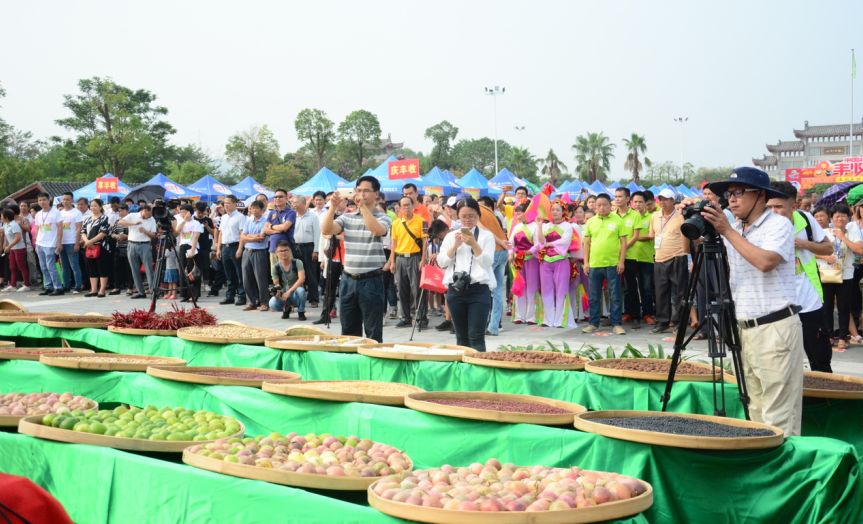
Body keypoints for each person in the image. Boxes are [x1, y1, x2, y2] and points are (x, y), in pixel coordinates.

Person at [703, 167, 805, 436]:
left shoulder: (778, 224)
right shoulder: (736, 227)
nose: (732, 199)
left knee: (778, 414)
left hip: (775, 327)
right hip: (744, 329)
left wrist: (726, 231)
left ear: (760, 195)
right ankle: (765, 469)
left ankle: (783, 473)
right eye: (729, 194)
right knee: (756, 409)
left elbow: (765, 262)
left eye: (738, 193)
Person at [767, 181, 834, 371]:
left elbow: (828, 247)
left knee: (819, 357)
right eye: (770, 206)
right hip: (777, 303)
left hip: (808, 300)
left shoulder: (805, 219)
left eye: (779, 207)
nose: (774, 212)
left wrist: (803, 244)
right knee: (781, 362)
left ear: (794, 206)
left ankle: (826, 397)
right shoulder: (762, 224)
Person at [321, 176, 391, 342]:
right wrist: (332, 207)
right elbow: (327, 230)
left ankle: (372, 366)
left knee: (373, 331)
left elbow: (376, 230)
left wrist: (362, 208)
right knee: (348, 332)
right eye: (358, 190)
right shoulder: (347, 217)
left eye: (366, 191)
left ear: (376, 194)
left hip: (371, 280)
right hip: (348, 280)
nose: (361, 194)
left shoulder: (384, 217)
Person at [437, 198, 495, 351]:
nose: (468, 220)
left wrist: (474, 245)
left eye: (472, 215)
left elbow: (487, 263)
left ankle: (479, 372)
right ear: (458, 216)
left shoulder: (486, 236)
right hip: (455, 291)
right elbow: (442, 262)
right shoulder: (451, 236)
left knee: (476, 337)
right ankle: (463, 372)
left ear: (478, 215)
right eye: (464, 216)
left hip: (479, 290)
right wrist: (455, 246)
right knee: (461, 338)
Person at [817, 204, 863, 350]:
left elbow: (859, 250)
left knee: (844, 307)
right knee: (827, 307)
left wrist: (843, 237)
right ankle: (829, 336)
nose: (840, 218)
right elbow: (811, 252)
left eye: (843, 215)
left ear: (848, 217)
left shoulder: (852, 231)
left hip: (846, 275)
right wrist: (825, 256)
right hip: (826, 274)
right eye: (837, 216)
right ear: (831, 218)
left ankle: (843, 337)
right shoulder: (823, 232)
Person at [582, 193, 626, 335]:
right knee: (594, 295)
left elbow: (623, 243)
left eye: (604, 205)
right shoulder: (591, 222)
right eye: (598, 205)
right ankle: (593, 323)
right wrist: (586, 262)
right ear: (595, 206)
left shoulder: (618, 220)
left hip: (613, 264)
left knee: (615, 295)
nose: (601, 207)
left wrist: (621, 261)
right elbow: (587, 243)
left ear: (610, 205)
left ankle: (616, 323)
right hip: (594, 264)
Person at [649, 188, 688, 333]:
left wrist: (686, 255)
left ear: (673, 201)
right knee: (660, 292)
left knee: (679, 293)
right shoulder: (654, 216)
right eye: (661, 199)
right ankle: (662, 322)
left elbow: (686, 238)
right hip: (659, 258)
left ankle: (678, 323)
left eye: (666, 199)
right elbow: (653, 235)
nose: (662, 202)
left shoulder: (681, 216)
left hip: (677, 257)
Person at [386, 196, 428, 328]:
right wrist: (392, 261)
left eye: (408, 205)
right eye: (403, 205)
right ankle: (405, 317)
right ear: (399, 207)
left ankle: (421, 317)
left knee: (417, 289)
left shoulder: (423, 221)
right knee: (402, 290)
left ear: (413, 206)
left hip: (415, 257)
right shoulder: (396, 223)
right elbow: (394, 243)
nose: (406, 207)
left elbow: (425, 241)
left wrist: (423, 259)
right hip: (400, 258)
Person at [535, 201, 574, 328]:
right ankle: (548, 319)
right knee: (546, 290)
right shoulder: (546, 226)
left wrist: (550, 244)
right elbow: (540, 241)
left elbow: (565, 241)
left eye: (558, 210)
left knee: (561, 290)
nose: (555, 212)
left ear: (563, 212)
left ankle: (561, 320)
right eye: (553, 210)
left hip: (561, 259)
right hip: (546, 260)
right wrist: (539, 226)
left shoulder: (567, 226)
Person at [478, 197, 510, 335]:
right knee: (496, 291)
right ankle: (494, 327)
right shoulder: (489, 211)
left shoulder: (476, 211)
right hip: (502, 252)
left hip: (494, 251)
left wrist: (501, 243)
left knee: (484, 288)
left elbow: (485, 230)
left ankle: (484, 324)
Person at [628, 191, 656, 326]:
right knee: (630, 288)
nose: (638, 204)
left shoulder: (651, 217)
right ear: (631, 203)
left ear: (646, 203)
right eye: (635, 202)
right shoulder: (629, 218)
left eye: (641, 202)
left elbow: (651, 235)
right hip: (630, 257)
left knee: (646, 288)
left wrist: (632, 237)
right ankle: (632, 314)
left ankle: (647, 314)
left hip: (646, 258)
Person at [509, 203, 540, 324]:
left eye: (520, 213)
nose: (517, 215)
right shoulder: (517, 227)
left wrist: (529, 252)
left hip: (531, 259)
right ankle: (519, 315)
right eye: (516, 213)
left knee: (531, 288)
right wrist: (511, 253)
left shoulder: (535, 226)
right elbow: (511, 243)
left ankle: (531, 316)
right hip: (518, 261)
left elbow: (538, 244)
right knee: (520, 287)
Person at [119, 204, 156, 299]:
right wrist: (133, 224)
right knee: (134, 269)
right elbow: (121, 222)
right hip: (132, 244)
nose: (149, 216)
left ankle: (153, 291)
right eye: (148, 214)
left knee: (148, 269)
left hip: (145, 245)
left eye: (150, 214)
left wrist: (145, 231)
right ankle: (141, 292)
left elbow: (153, 235)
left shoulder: (152, 219)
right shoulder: (133, 215)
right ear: (144, 210)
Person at [238, 200, 270, 311]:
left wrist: (248, 237)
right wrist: (252, 237)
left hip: (260, 252)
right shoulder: (248, 220)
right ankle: (252, 302)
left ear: (262, 210)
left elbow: (261, 238)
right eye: (252, 208)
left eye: (256, 208)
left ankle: (264, 302)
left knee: (261, 279)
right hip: (247, 251)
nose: (253, 210)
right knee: (246, 279)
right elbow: (242, 237)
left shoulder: (266, 221)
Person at [215, 195, 247, 306]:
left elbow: (242, 234)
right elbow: (221, 233)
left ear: (234, 204)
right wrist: (218, 248)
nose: (226, 205)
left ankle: (242, 296)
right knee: (228, 274)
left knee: (239, 273)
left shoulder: (240, 217)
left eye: (228, 203)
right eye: (225, 203)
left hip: (235, 246)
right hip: (225, 247)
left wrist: (240, 248)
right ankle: (230, 296)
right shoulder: (223, 217)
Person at [291, 195, 321, 307]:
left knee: (310, 273)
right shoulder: (292, 216)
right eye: (292, 202)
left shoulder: (313, 216)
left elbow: (317, 234)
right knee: (296, 274)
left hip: (309, 247)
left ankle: (314, 299)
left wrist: (316, 250)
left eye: (295, 202)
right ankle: (296, 298)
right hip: (295, 248)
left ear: (303, 203)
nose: (293, 204)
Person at [34, 193, 64, 295]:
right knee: (43, 267)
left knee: (51, 267)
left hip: (51, 244)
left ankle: (58, 287)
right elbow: (38, 229)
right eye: (40, 200)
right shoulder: (38, 214)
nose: (42, 202)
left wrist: (59, 243)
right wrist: (36, 243)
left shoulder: (56, 212)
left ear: (48, 200)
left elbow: (60, 228)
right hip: (40, 244)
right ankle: (48, 286)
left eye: (44, 200)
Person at [81, 199, 112, 297]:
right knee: (91, 268)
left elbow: (103, 233)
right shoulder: (87, 219)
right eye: (91, 206)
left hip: (101, 246)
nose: (93, 208)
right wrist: (86, 241)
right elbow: (83, 232)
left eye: (95, 206)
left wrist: (91, 241)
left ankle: (102, 290)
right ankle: (93, 289)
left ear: (100, 206)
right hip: (89, 246)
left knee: (102, 268)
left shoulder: (104, 218)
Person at [269, 240, 307, 320]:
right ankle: (286, 308)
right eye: (281, 251)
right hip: (283, 295)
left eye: (286, 250)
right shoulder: (275, 267)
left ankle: (301, 311)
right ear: (276, 252)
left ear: (290, 251)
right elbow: (277, 284)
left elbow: (301, 279)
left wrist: (289, 292)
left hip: (295, 294)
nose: (283, 253)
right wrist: (278, 294)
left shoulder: (297, 262)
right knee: (272, 303)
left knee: (301, 290)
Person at [174, 204, 203, 302]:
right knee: (183, 271)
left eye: (184, 212)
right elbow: (176, 232)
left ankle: (195, 294)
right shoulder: (181, 222)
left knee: (193, 271)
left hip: (192, 247)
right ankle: (185, 294)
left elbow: (195, 237)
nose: (182, 214)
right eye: (181, 212)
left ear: (190, 212)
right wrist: (183, 220)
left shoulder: (196, 223)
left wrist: (192, 250)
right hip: (183, 247)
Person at [57, 192, 83, 293]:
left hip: (72, 242)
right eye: (64, 199)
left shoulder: (76, 213)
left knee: (74, 265)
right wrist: (58, 242)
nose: (65, 201)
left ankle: (78, 286)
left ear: (72, 200)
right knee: (64, 266)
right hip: (61, 242)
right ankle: (66, 285)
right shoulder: (59, 213)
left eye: (68, 199)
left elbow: (78, 228)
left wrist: (77, 243)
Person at [264, 189, 295, 266]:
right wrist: (277, 230)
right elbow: (265, 230)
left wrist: (271, 226)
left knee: (288, 274)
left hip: (286, 249)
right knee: (275, 274)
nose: (278, 198)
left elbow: (285, 227)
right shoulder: (272, 212)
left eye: (281, 196)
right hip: (273, 248)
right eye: (276, 197)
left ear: (286, 198)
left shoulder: (291, 212)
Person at [2, 209, 28, 292]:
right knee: (12, 267)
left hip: (19, 248)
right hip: (13, 249)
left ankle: (27, 285)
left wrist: (9, 246)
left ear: (6, 217)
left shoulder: (14, 225)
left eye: (2, 216)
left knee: (22, 267)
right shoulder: (6, 224)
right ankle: (13, 285)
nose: (1, 217)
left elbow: (18, 238)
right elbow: (5, 235)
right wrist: (6, 245)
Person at [108, 204, 132, 295]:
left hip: (129, 247)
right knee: (117, 268)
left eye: (122, 211)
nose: (120, 213)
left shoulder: (131, 221)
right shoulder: (117, 221)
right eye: (119, 211)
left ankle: (130, 287)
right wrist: (116, 236)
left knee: (129, 268)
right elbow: (112, 233)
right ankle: (116, 287)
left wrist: (126, 236)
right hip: (119, 247)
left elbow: (136, 233)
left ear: (127, 211)